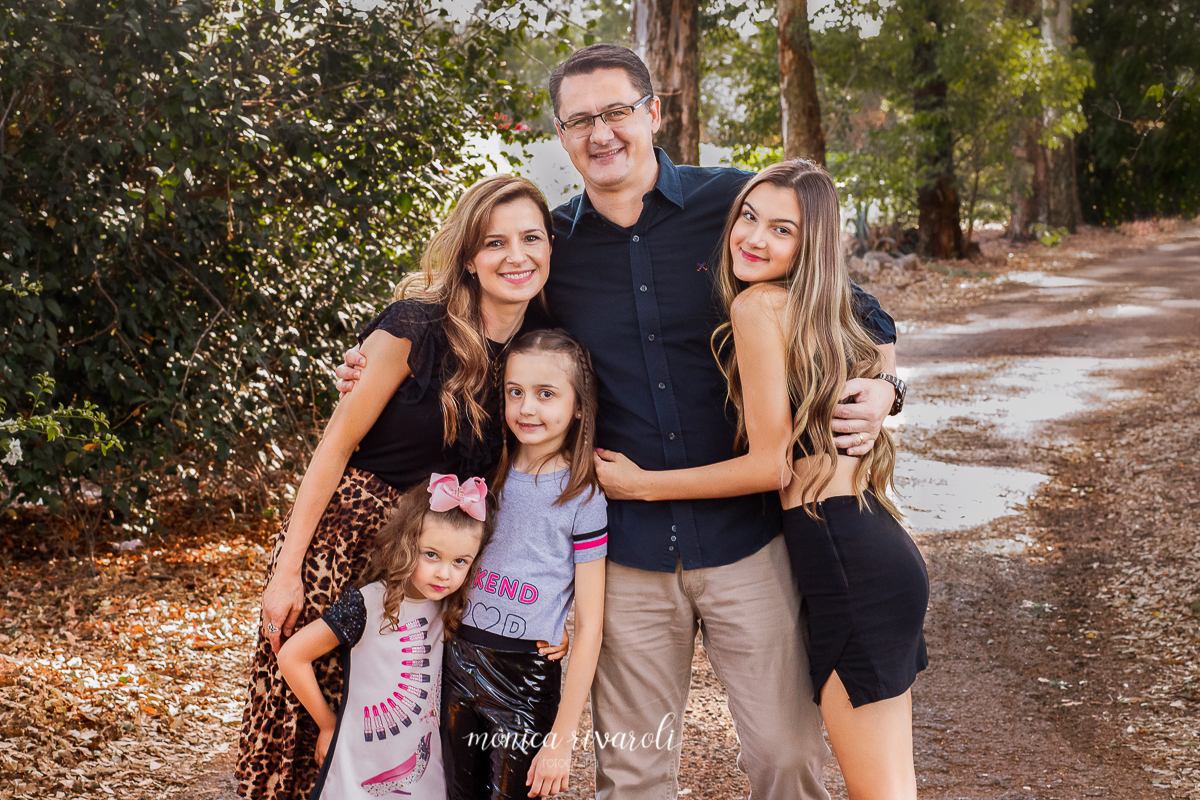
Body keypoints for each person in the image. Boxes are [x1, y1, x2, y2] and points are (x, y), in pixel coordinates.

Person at [338, 44, 903, 800]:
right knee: (633, 774)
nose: (600, 134)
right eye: (579, 120)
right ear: (563, 135)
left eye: (616, 112)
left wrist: (890, 386)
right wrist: (372, 357)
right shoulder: (552, 248)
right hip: (626, 557)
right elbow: (468, 326)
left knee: (786, 758)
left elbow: (856, 305)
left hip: (748, 541)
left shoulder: (734, 208)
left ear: (653, 113)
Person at [594, 160, 928, 799]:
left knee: (878, 791)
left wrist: (644, 486)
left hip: (845, 562)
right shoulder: (815, 311)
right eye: (748, 217)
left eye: (782, 230)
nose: (753, 237)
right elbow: (879, 332)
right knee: (889, 789)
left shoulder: (758, 306)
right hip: (869, 551)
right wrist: (888, 384)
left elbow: (770, 465)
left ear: (813, 248)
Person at [237, 174, 568, 800]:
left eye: (531, 238)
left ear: (552, 247)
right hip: (351, 546)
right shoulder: (412, 326)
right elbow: (333, 447)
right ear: (469, 256)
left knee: (408, 741)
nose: (516, 256)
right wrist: (285, 571)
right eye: (494, 242)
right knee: (319, 739)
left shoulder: (539, 353)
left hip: (444, 561)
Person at [442, 329, 607, 799]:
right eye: (515, 392)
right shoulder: (482, 471)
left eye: (546, 394)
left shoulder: (584, 494)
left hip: (526, 681)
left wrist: (561, 737)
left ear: (579, 406)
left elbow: (592, 623)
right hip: (457, 661)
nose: (527, 408)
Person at [276, 475, 495, 799]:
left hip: (424, 769)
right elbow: (292, 655)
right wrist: (326, 723)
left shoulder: (456, 607)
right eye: (431, 554)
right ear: (407, 543)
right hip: (357, 764)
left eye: (459, 561)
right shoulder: (366, 604)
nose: (444, 573)